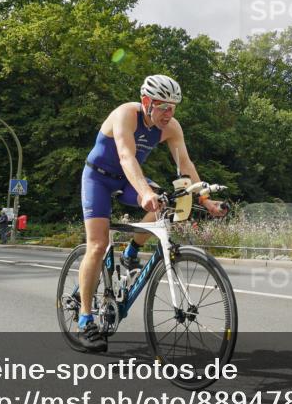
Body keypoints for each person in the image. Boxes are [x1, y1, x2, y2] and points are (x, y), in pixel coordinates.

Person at [77, 75, 228, 350]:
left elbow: (185, 165)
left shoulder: (172, 127)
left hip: (127, 180)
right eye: (162, 107)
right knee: (97, 245)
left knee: (166, 203)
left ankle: (132, 251)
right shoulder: (125, 114)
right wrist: (145, 192)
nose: (168, 114)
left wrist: (205, 201)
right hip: (98, 178)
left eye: (173, 107)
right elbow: (126, 156)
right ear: (146, 102)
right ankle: (85, 319)